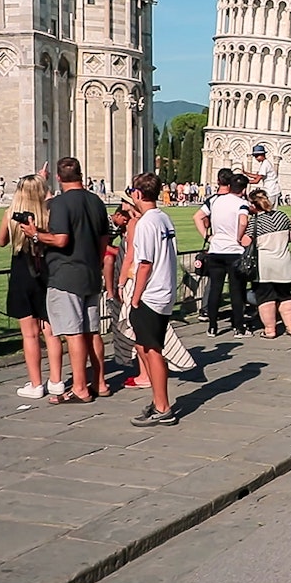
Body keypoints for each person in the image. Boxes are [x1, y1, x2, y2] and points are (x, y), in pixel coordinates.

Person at [20, 157, 110, 405]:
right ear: (81, 174)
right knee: (92, 332)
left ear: (59, 178)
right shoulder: (96, 201)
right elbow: (104, 239)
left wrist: (36, 234)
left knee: (73, 333)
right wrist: (96, 261)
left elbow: (61, 240)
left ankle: (80, 387)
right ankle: (100, 383)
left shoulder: (59, 204)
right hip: (91, 272)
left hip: (65, 275)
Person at [0, 172, 65, 399]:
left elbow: (1, 241)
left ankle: (36, 383)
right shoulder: (48, 214)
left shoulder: (12, 214)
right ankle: (56, 380)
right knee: (51, 331)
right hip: (46, 272)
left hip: (21, 273)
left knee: (30, 334)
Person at [125, 173, 179, 427]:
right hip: (164, 290)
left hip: (151, 294)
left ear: (137, 193)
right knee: (147, 347)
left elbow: (144, 263)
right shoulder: (163, 218)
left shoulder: (147, 223)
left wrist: (135, 297)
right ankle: (158, 400)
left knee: (152, 349)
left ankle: (163, 406)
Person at [195, 173, 251, 337]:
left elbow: (198, 217)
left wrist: (207, 236)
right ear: (244, 189)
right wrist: (239, 237)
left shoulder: (214, 200)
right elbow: (243, 221)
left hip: (216, 249)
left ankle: (212, 327)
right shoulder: (242, 203)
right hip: (233, 250)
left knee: (215, 289)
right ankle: (238, 327)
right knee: (236, 290)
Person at [246, 188, 291, 338]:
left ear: (253, 205)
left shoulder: (255, 222)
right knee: (285, 296)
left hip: (265, 266)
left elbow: (245, 241)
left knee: (266, 299)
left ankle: (270, 330)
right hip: (284, 263)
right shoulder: (281, 216)